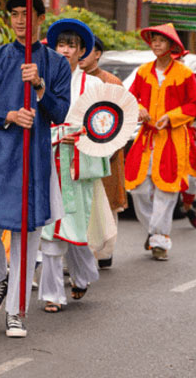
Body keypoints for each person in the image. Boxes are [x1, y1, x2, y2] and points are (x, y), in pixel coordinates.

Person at [0, 0, 70, 338]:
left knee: (27, 236)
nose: (22, 20)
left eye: (28, 14)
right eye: (15, 14)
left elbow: (60, 113)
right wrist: (8, 114)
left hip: (35, 155)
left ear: (41, 17)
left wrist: (39, 86)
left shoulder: (56, 64)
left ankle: (17, 312)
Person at [39, 19, 108, 313]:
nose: (65, 50)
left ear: (82, 51)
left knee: (75, 227)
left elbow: (105, 126)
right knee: (50, 230)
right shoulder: (41, 80)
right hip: (45, 160)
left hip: (77, 163)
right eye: (61, 45)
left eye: (71, 45)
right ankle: (53, 294)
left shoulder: (94, 84)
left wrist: (83, 138)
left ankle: (82, 275)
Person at [124, 24, 196, 261]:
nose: (157, 44)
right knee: (138, 190)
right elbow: (131, 96)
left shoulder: (184, 74)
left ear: (172, 45)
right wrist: (139, 109)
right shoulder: (143, 71)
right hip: (147, 137)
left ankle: (159, 240)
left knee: (167, 190)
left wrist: (172, 116)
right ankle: (154, 232)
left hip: (173, 138)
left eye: (161, 41)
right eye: (154, 40)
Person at [77, 36, 128, 266]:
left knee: (106, 200)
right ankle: (83, 251)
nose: (81, 55)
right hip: (77, 148)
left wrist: (110, 147)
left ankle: (105, 251)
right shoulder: (71, 80)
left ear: (98, 54)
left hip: (107, 149)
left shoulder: (111, 82)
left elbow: (121, 118)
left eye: (86, 50)